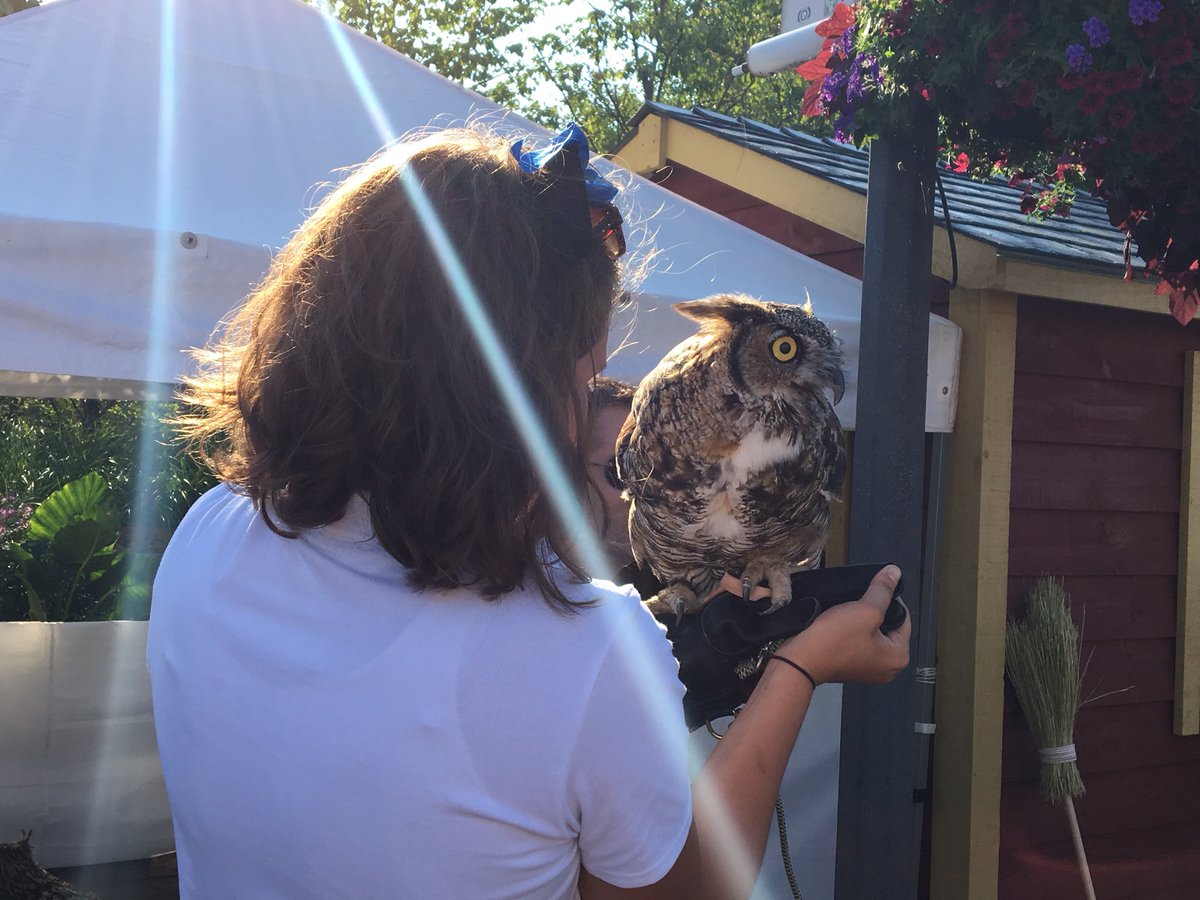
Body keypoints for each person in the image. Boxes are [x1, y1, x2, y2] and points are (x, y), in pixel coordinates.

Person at [147, 122, 910, 900]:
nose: (585, 399)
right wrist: (798, 669)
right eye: (583, 371)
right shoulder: (581, 652)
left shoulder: (207, 538)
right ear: (517, 383)